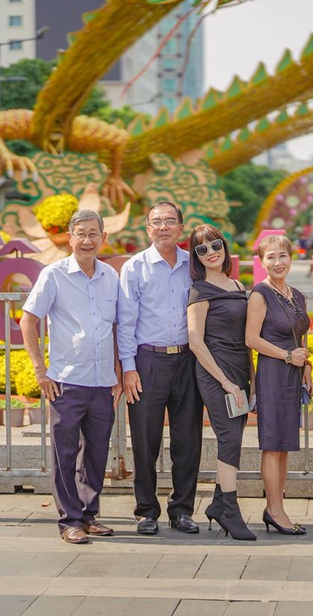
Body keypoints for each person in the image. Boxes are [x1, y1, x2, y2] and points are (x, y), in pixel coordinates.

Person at [20, 209, 124, 545]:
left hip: (103, 381)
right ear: (70, 237)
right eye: (81, 233)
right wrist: (40, 370)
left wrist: (119, 375)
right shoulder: (54, 275)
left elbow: (118, 328)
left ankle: (89, 514)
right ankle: (69, 520)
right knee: (65, 453)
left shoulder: (111, 276)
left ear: (103, 238)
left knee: (95, 452)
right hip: (66, 380)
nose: (87, 240)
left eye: (94, 233)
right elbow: (28, 320)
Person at [117, 201, 202, 535]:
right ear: (147, 229)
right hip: (147, 362)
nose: (163, 226)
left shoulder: (193, 265)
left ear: (182, 227)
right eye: (156, 222)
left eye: (170, 221)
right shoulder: (135, 267)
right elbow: (126, 322)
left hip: (187, 360)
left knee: (188, 439)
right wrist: (128, 368)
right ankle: (146, 511)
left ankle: (182, 510)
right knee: (145, 439)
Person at [185, 226, 255, 541]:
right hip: (216, 374)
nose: (211, 252)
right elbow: (195, 342)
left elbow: (247, 337)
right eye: (202, 249)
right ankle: (229, 509)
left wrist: (248, 379)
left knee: (236, 436)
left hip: (240, 372)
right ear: (196, 257)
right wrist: (225, 381)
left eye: (215, 245)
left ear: (224, 247)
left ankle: (215, 504)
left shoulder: (238, 284)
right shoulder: (199, 290)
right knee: (229, 440)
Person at [245, 233, 312, 535]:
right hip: (272, 372)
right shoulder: (260, 294)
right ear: (261, 262)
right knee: (272, 445)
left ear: (290, 257)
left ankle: (278, 506)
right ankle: (274, 509)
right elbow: (252, 339)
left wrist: (306, 366)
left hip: (293, 373)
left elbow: (300, 335)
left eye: (282, 255)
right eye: (270, 257)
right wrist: (287, 356)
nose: (277, 262)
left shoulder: (297, 295)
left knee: (284, 445)